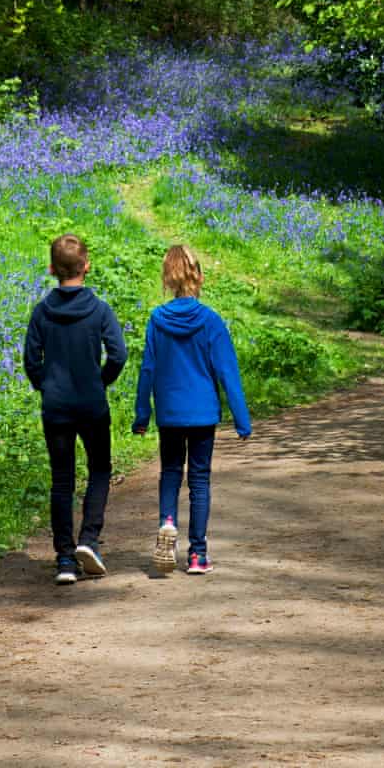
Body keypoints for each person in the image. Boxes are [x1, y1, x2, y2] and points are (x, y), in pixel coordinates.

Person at [133, 244, 251, 575]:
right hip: (202, 414)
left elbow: (148, 370)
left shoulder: (157, 320)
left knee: (171, 472)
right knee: (199, 480)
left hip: (170, 413)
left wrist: (142, 414)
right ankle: (197, 554)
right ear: (198, 277)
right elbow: (227, 372)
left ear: (167, 280)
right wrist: (241, 419)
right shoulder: (211, 321)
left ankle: (167, 522)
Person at [24, 233, 128, 585]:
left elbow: (30, 360)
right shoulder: (99, 309)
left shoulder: (42, 311)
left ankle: (65, 559)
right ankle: (89, 540)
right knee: (99, 469)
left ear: (52, 268)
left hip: (56, 408)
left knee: (62, 480)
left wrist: (46, 385)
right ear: (87, 267)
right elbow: (119, 354)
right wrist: (100, 382)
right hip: (92, 405)